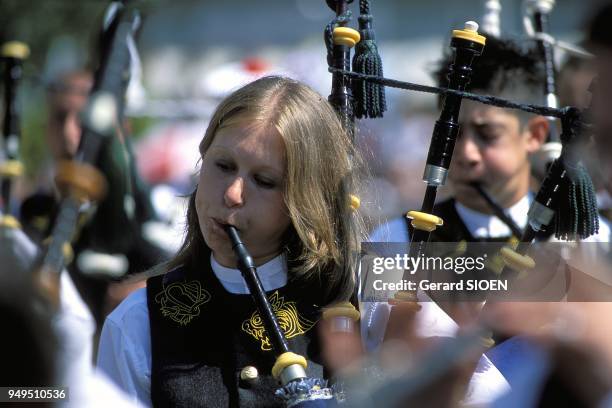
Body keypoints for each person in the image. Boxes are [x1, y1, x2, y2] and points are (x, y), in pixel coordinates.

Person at [97, 76, 364, 406]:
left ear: (306, 199)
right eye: (223, 165)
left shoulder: (368, 297)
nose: (232, 194)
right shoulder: (137, 321)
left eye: (264, 181)